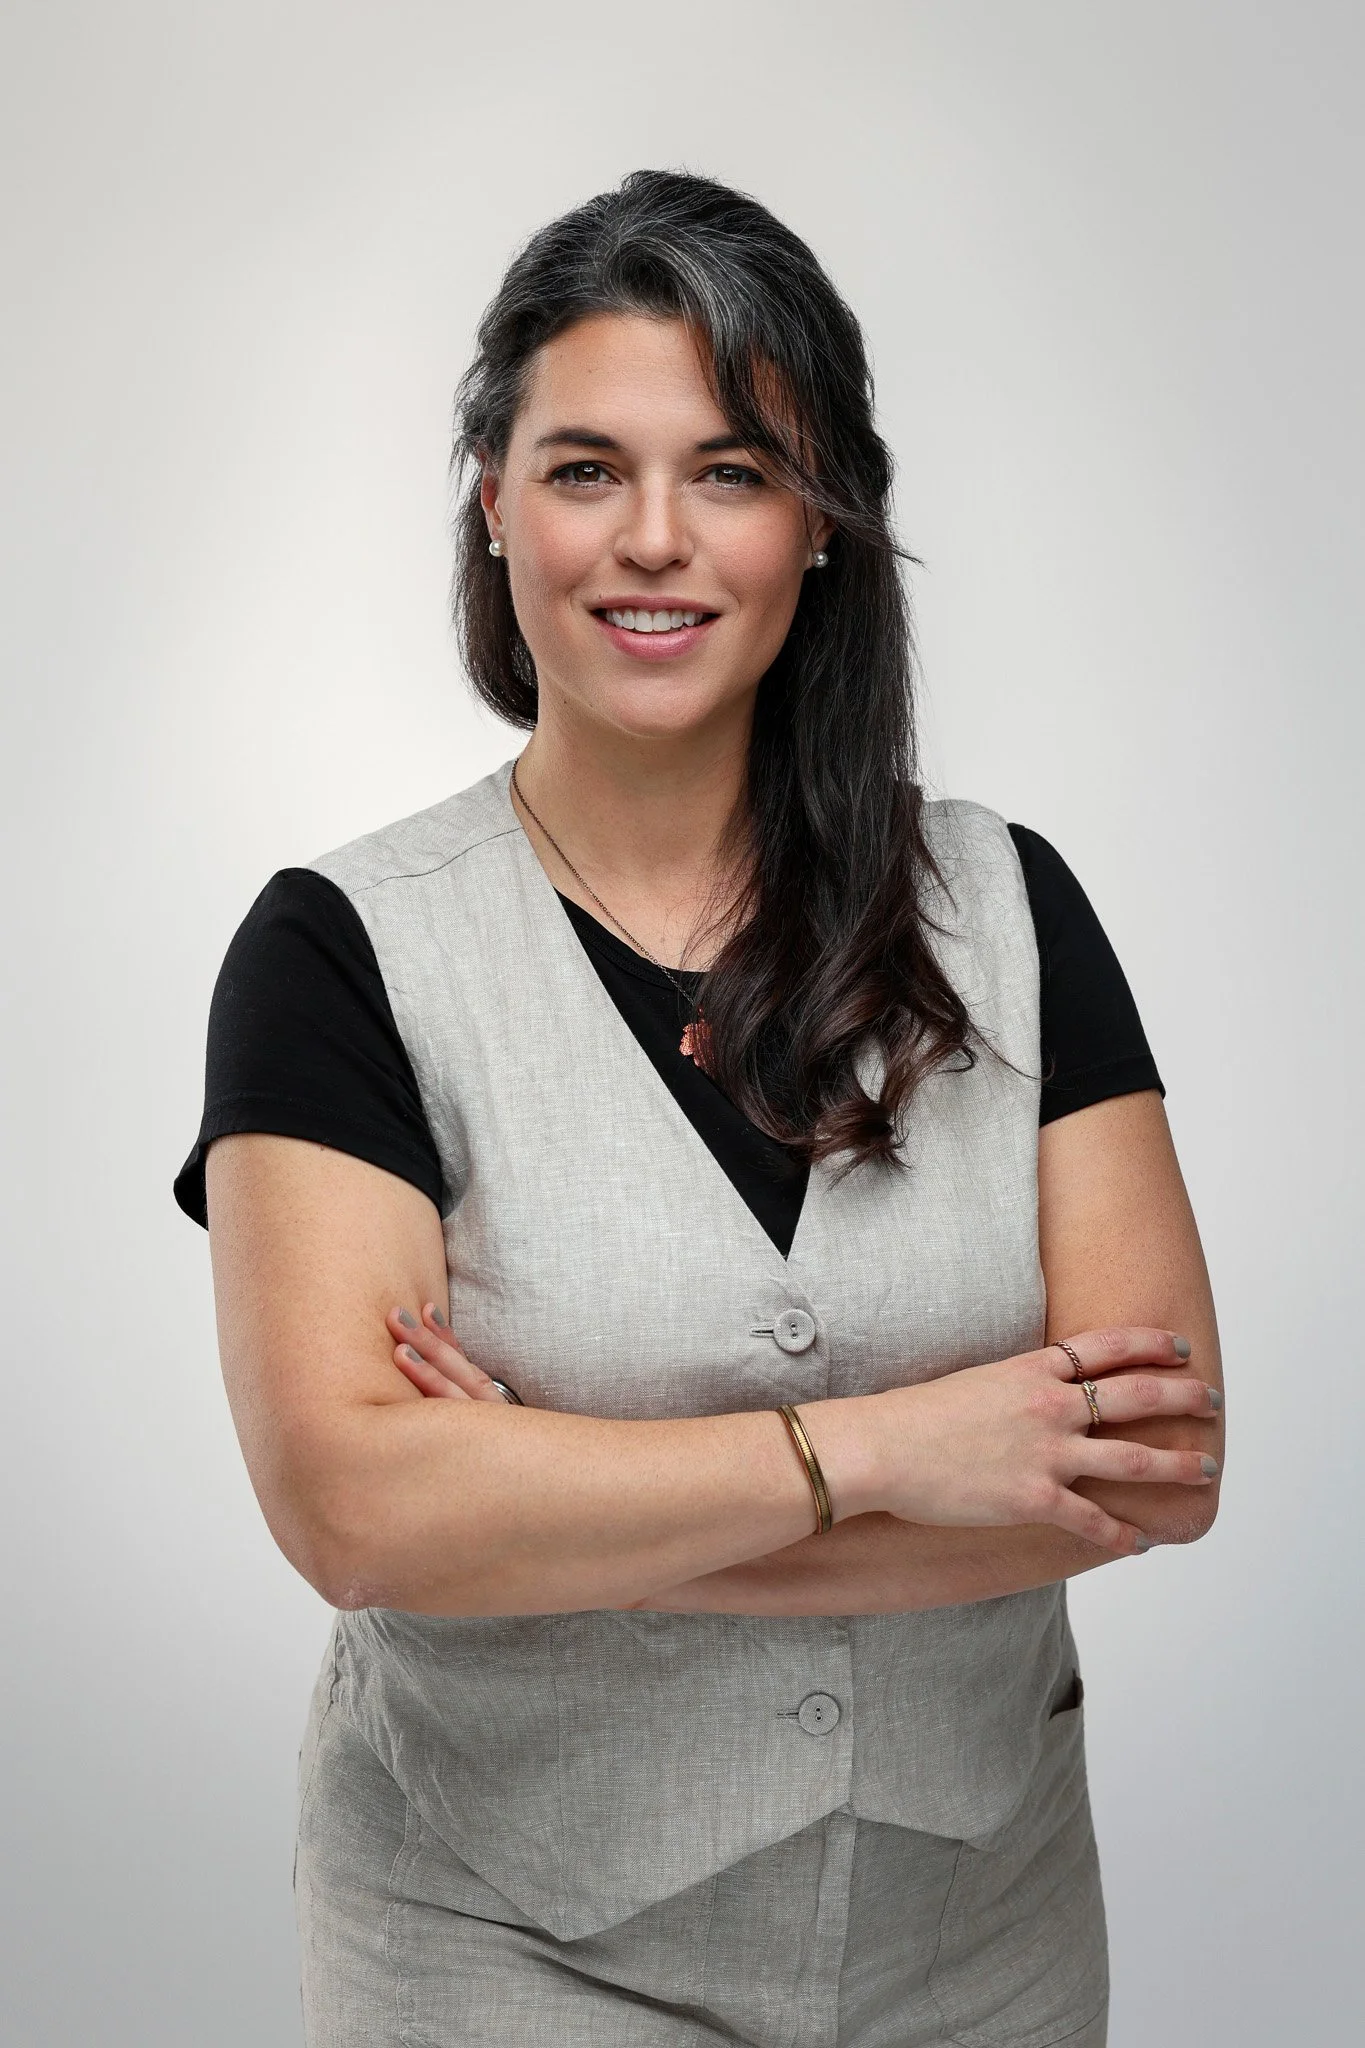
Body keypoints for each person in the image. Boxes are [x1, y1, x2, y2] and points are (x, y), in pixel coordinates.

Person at [176, 169, 1224, 2047]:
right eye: (585, 468)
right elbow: (357, 1512)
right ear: (492, 500)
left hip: (979, 1944)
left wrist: (550, 1505)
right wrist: (897, 1451)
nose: (654, 539)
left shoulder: (1011, 907)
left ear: (820, 527)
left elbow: (1151, 1467)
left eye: (733, 471)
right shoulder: (338, 954)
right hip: (499, 1948)